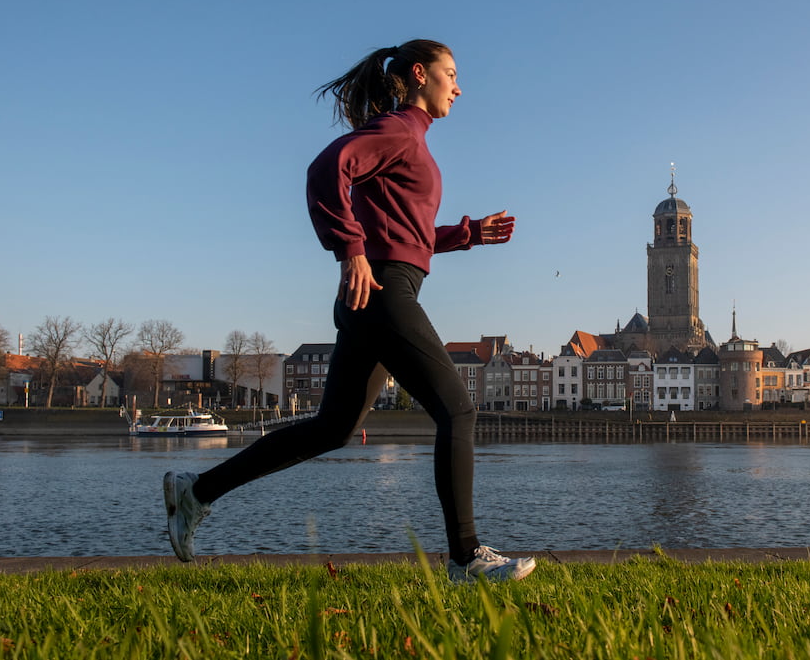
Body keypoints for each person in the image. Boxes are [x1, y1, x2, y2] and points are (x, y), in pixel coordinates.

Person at [162, 39, 535, 583]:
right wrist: (350, 250)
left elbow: (406, 233)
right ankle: (465, 557)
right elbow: (324, 169)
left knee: (332, 429)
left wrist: (466, 235)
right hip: (383, 289)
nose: (458, 86)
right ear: (418, 74)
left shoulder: (412, 140)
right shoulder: (398, 130)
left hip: (382, 288)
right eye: (450, 74)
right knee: (458, 410)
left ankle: (195, 492)